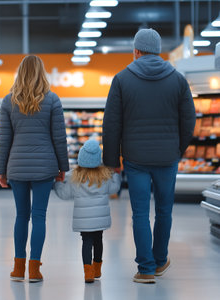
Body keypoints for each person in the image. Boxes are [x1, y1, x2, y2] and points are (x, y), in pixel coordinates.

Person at [102, 28, 196, 284]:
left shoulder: (121, 79)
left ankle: (145, 268)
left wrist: (112, 161)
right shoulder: (178, 80)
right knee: (164, 211)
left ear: (136, 51)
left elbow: (111, 124)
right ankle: (160, 260)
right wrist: (178, 149)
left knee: (140, 214)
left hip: (136, 160)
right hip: (167, 159)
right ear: (158, 51)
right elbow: (189, 120)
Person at [0, 55, 69, 282]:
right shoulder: (52, 100)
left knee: (21, 216)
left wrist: (1, 170)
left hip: (16, 166)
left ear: (20, 73)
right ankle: (35, 270)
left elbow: (4, 139)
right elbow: (59, 138)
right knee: (39, 216)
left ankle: (18, 269)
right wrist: (63, 167)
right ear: (41, 73)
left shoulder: (9, 101)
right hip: (44, 167)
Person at [54, 139, 121, 283]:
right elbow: (114, 188)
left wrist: (58, 183)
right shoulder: (104, 177)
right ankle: (97, 269)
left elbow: (64, 194)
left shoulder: (75, 177)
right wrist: (116, 174)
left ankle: (88, 273)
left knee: (86, 242)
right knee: (98, 241)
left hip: (83, 220)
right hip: (100, 219)